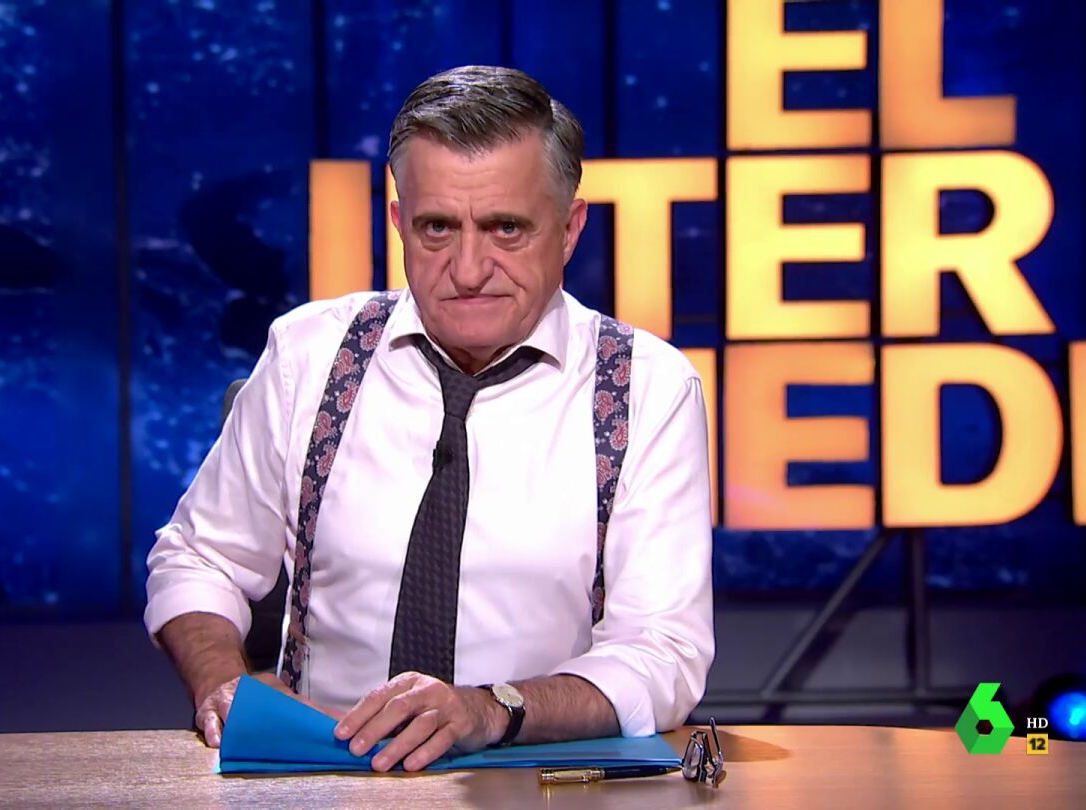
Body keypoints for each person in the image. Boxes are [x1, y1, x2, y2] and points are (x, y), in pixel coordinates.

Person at [145, 65, 714, 773]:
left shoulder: (647, 389)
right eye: (438, 227)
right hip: (321, 778)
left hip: (536, 781)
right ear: (398, 224)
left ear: (569, 229)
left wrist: (489, 710)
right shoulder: (308, 356)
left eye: (506, 228)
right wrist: (222, 684)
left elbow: (663, 653)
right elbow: (199, 557)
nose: (468, 269)